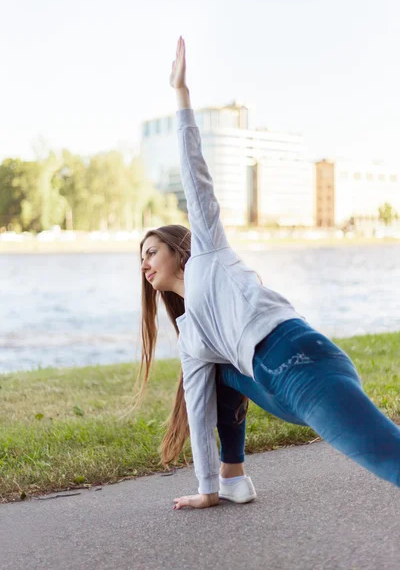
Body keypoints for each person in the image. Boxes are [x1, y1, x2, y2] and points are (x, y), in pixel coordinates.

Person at [136, 36, 400, 511]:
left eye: (152, 250)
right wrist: (206, 489)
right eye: (141, 257)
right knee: (216, 376)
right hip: (277, 386)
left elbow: (195, 175)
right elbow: (198, 410)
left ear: (179, 249)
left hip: (304, 365)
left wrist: (181, 95)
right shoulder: (193, 334)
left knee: (390, 457)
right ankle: (232, 478)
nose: (146, 263)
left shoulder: (210, 255)